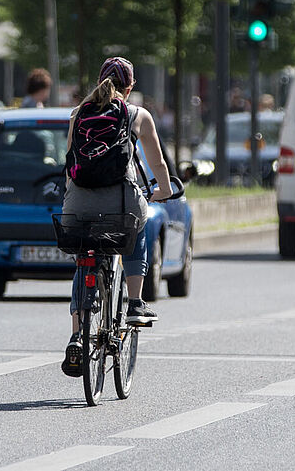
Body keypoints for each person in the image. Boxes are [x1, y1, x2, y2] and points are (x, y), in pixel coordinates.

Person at [60, 57, 172, 377]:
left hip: (78, 204)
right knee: (140, 223)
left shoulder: (78, 114)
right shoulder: (138, 114)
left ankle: (77, 336)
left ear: (99, 80)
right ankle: (135, 303)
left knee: (86, 256)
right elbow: (159, 164)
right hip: (122, 201)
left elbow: (70, 165)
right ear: (130, 85)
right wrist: (162, 190)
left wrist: (73, 200)